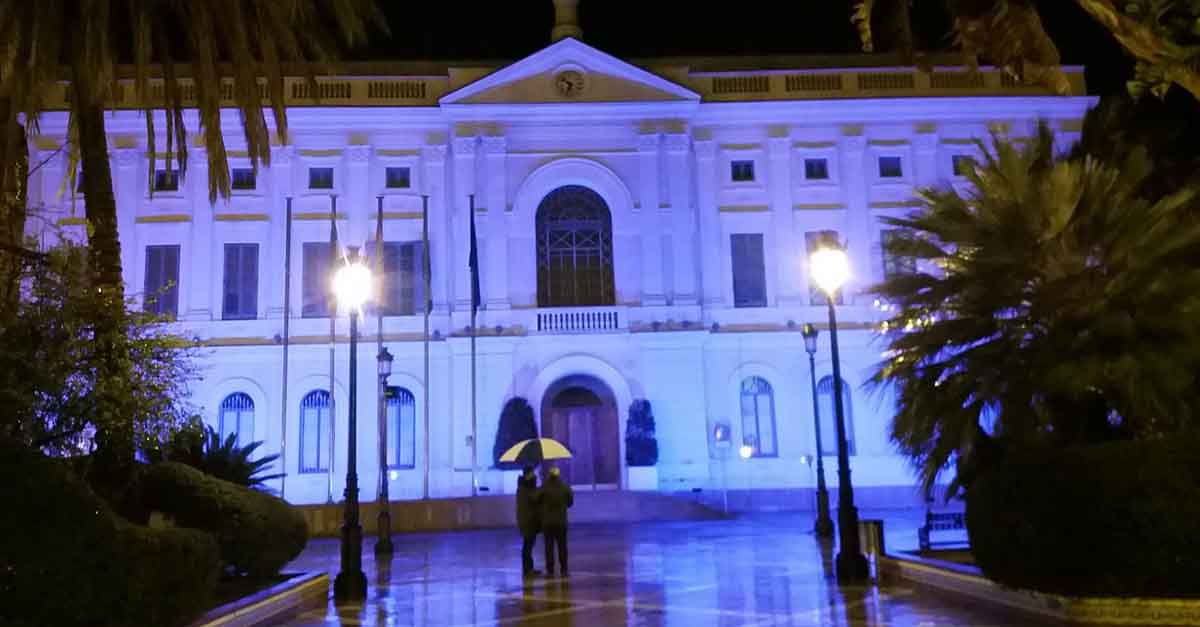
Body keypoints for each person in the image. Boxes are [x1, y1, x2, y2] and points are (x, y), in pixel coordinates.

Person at [539, 466, 574, 577]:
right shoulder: (564, 487)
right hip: (561, 522)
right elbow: (570, 502)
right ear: (558, 475)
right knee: (562, 546)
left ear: (549, 475)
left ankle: (550, 571)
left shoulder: (544, 487)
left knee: (549, 547)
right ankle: (564, 570)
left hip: (548, 523)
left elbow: (537, 500)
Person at [516, 466, 541, 577]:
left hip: (527, 520)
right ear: (528, 474)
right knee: (528, 546)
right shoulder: (525, 489)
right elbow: (534, 499)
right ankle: (527, 570)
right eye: (532, 473)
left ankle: (529, 568)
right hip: (528, 521)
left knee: (528, 546)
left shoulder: (524, 487)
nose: (534, 475)